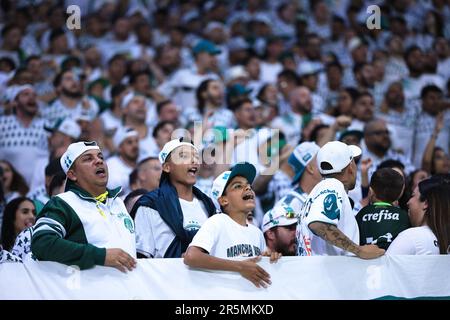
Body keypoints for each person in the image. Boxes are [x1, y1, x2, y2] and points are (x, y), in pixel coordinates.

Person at [31, 141, 137, 272]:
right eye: (88, 159)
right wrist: (100, 256)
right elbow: (42, 242)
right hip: (88, 290)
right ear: (72, 175)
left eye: (100, 157)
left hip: (128, 289)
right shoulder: (63, 203)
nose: (98, 161)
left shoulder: (118, 202)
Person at [184, 162, 281, 288]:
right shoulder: (217, 222)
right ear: (223, 200)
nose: (248, 188)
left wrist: (269, 259)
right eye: (238, 186)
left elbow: (255, 267)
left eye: (249, 185)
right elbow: (191, 256)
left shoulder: (256, 232)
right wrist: (240, 267)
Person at [298, 141, 385, 258]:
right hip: (326, 274)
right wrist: (359, 250)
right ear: (351, 168)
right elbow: (318, 224)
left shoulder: (317, 192)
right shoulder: (333, 185)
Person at [133, 138, 217, 258]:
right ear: (167, 167)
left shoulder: (208, 205)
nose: (194, 160)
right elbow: (142, 258)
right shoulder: (150, 205)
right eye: (184, 156)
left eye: (196, 156)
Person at [387, 174, 450, 255]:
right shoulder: (445, 239)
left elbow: (385, 266)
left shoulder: (411, 237)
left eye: (413, 195)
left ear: (426, 203)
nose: (408, 202)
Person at [356, 168, 410, 250]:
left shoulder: (362, 213)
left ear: (370, 191)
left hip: (366, 260)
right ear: (399, 195)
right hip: (393, 261)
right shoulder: (404, 217)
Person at [106, 127, 140, 196]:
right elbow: (111, 189)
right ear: (120, 148)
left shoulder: (142, 162)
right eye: (129, 142)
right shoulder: (111, 164)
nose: (135, 145)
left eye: (136, 141)